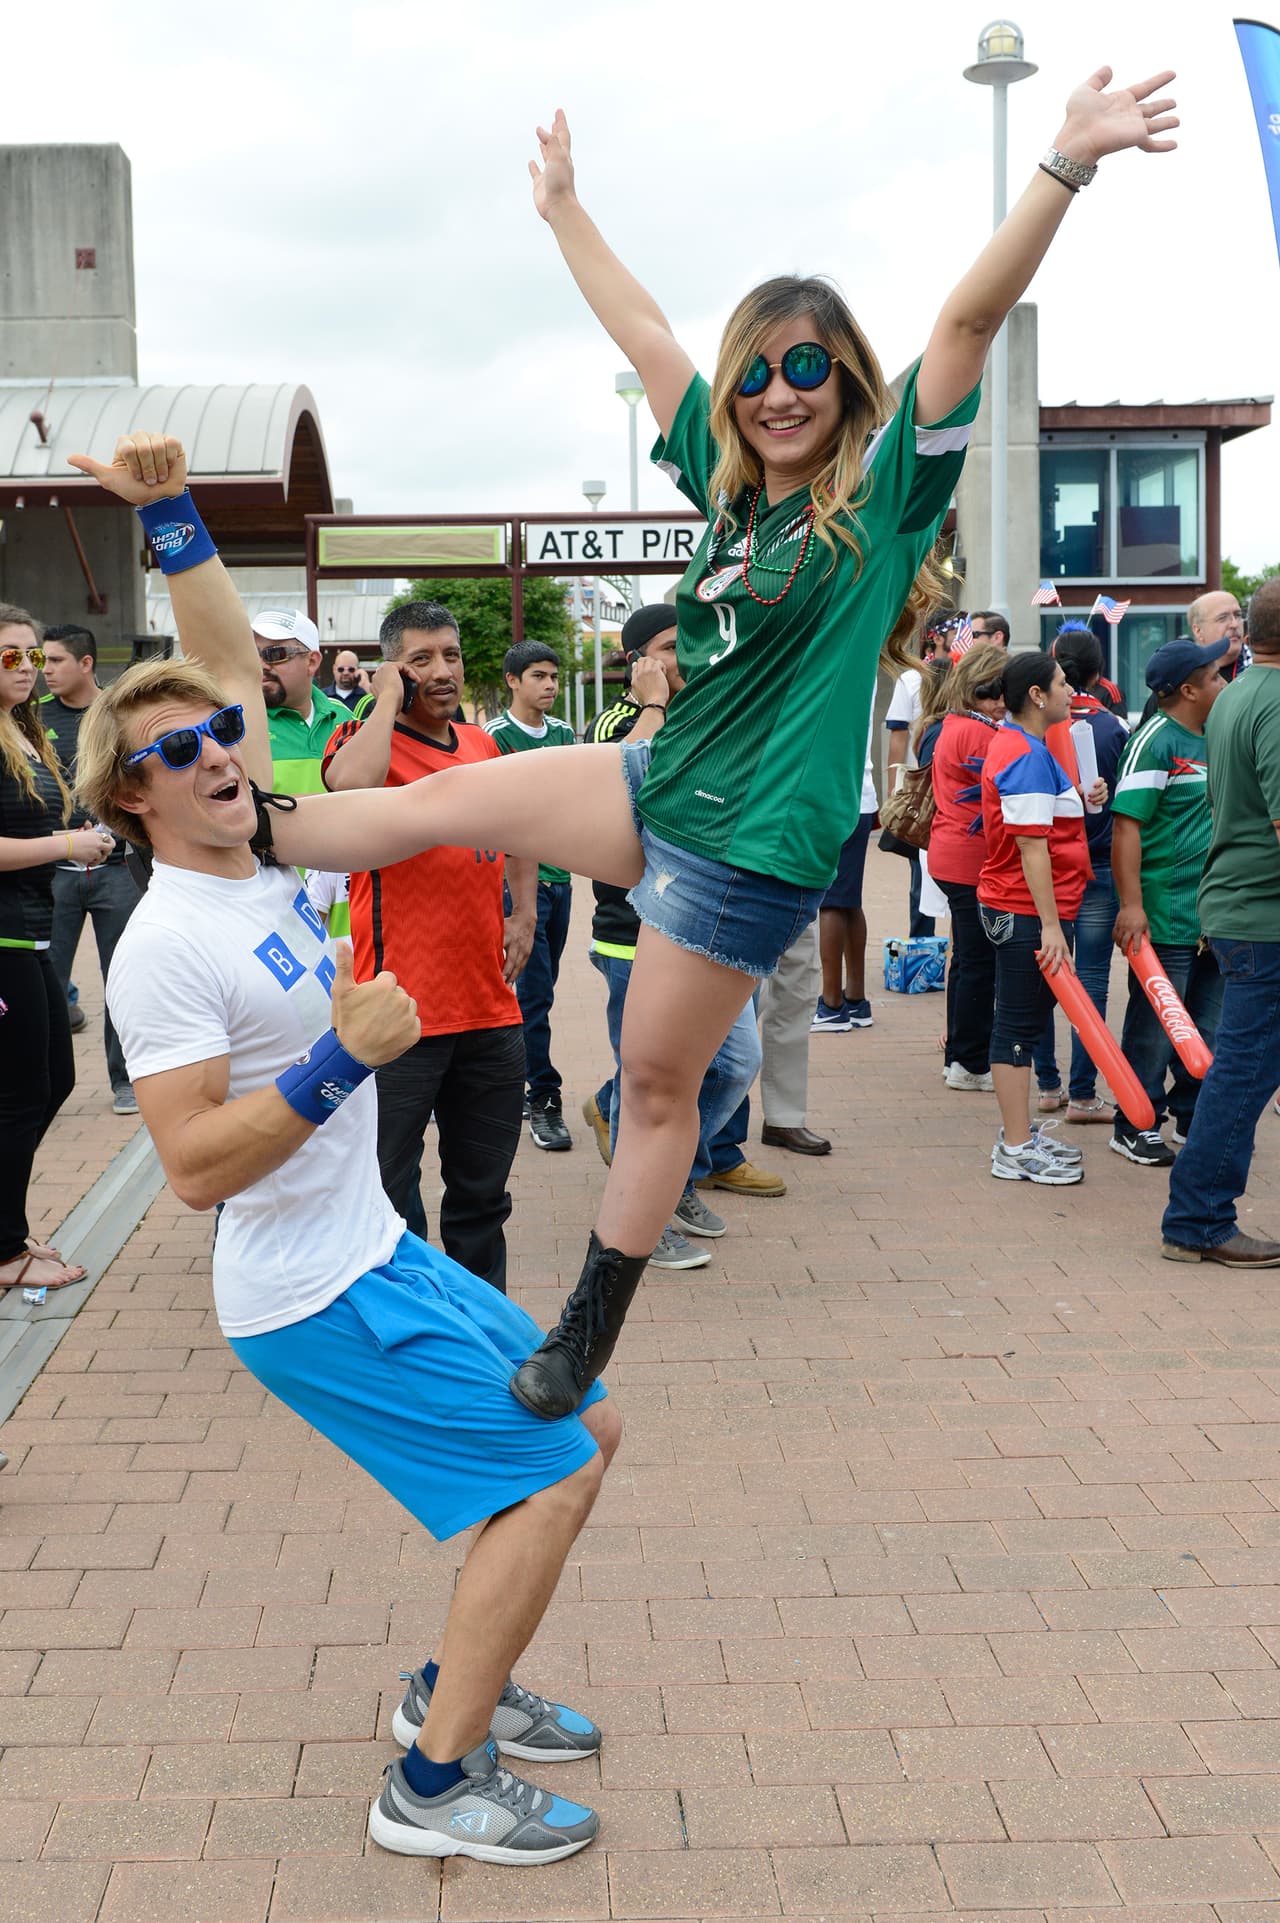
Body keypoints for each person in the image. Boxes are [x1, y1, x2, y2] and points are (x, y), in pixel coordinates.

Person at [71, 432, 619, 1863]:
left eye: (217, 739)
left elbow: (215, 667)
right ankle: (432, 1788)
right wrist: (335, 1062)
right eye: (172, 754)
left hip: (371, 1247)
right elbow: (190, 1165)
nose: (210, 753)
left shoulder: (257, 844)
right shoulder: (165, 944)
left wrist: (170, 513)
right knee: (550, 1471)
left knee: (588, 1423)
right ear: (133, 796)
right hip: (309, 1295)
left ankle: (458, 1676)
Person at [323, 603, 536, 1292]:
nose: (441, 670)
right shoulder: (363, 740)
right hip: (399, 1017)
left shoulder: (483, 745)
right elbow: (348, 787)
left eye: (449, 655)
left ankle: (485, 1327)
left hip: (489, 1010)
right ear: (394, 669)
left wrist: (524, 910)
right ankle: (411, 1324)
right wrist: (384, 699)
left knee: (483, 1197)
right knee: (388, 1194)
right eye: (420, 660)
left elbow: (522, 826)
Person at [585, 604, 780, 1261]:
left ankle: (671, 1166)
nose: (686, 657)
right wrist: (654, 703)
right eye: (670, 647)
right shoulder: (621, 719)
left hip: (708, 925)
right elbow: (625, 790)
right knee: (653, 1083)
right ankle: (646, 1216)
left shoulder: (713, 711)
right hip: (632, 931)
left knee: (734, 1063)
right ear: (639, 659)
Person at [1160, 577, 1280, 1264]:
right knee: (1242, 1072)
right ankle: (1198, 1218)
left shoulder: (1234, 695)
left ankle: (1197, 1214)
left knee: (1243, 1065)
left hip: (1239, 904)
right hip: (1262, 914)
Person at [0, 605, 114, 1292]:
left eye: (32, 655)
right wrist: (68, 845)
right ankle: (6, 1246)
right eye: (9, 655)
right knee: (18, 1094)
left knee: (54, 1081)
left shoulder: (24, 731)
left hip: (29, 930)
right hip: (5, 936)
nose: (26, 667)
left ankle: (5, 1227)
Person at [979, 651, 1103, 1184]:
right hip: (1024, 908)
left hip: (1025, 905)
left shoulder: (1025, 747)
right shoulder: (1023, 751)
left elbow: (1041, 828)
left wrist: (1080, 798)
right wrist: (1051, 926)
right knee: (1018, 1026)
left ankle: (1018, 1136)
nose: (1070, 692)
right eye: (1060, 684)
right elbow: (1031, 848)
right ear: (1036, 695)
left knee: (1021, 1023)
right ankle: (1014, 1146)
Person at [1108, 635, 1225, 1156]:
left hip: (1214, 914)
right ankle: (1135, 1122)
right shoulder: (1155, 740)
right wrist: (1132, 906)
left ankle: (1189, 1116)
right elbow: (1126, 827)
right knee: (1156, 1026)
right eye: (1216, 677)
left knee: (1209, 1025)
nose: (1225, 683)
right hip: (1163, 913)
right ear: (1187, 690)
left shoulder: (1216, 735)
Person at [40, 623, 143, 1114]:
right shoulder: (30, 719)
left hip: (118, 871)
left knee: (120, 980)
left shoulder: (120, 714)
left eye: (54, 661)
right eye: (40, 661)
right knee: (44, 984)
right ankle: (41, 1082)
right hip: (50, 873)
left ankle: (124, 1082)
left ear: (85, 664)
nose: (44, 672)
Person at [485, 640, 578, 1151]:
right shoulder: (494, 736)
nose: (549, 686)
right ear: (513, 681)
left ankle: (520, 1083)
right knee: (534, 995)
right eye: (538, 676)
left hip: (561, 880)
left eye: (553, 677)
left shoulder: (564, 732)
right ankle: (543, 1098)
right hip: (519, 886)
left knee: (540, 995)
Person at [1051, 625, 1129, 1127]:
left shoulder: (1034, 726)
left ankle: (1045, 1083)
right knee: (1093, 979)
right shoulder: (1116, 728)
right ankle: (1081, 1093)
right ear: (1100, 674)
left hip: (1047, 864)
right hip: (1099, 863)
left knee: (1045, 975)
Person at [925, 642, 1008, 1091]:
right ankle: (969, 1062)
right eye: (989, 690)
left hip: (953, 854)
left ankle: (960, 1055)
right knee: (978, 963)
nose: (998, 699)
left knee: (968, 962)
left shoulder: (955, 723)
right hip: (969, 860)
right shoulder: (978, 732)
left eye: (1001, 689)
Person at [812, 721, 876, 1033]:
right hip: (858, 796)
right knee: (849, 900)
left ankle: (832, 1004)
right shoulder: (864, 673)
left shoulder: (840, 672)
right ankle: (855, 999)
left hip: (836, 797)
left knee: (832, 903)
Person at [251, 608, 351, 796]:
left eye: (275, 654)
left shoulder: (345, 717)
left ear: (312, 661)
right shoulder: (240, 724)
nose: (261, 665)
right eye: (253, 654)